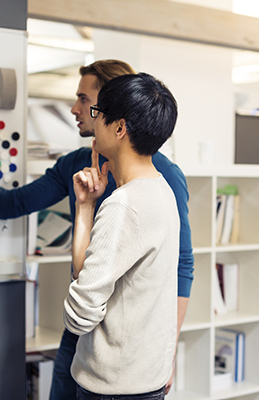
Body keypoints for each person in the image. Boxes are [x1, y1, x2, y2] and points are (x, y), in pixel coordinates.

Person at [0, 59, 194, 398]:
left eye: (87, 102)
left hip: (123, 351)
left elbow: (180, 266)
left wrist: (169, 351)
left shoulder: (156, 181)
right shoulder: (80, 165)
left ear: (117, 117)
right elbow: (10, 205)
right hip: (88, 342)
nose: (76, 109)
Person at [65, 72, 179, 398]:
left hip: (112, 387)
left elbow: (80, 315)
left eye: (97, 113)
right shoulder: (160, 189)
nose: (91, 119)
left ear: (119, 128)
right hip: (144, 380)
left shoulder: (125, 206)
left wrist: (73, 310)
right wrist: (86, 208)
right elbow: (86, 274)